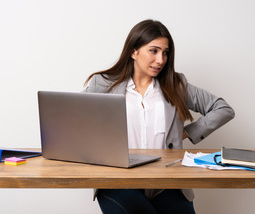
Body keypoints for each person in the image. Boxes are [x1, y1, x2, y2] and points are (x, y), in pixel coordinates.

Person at [83, 19, 235, 214]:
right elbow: (77, 121)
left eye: (165, 52)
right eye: (153, 51)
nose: (161, 60)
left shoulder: (177, 85)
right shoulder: (103, 84)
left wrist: (189, 132)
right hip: (118, 179)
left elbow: (223, 109)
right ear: (133, 51)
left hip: (166, 181)